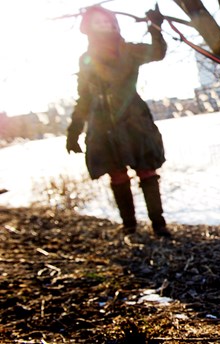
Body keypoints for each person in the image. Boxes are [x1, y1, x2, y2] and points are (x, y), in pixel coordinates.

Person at [66, 5, 171, 237]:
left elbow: (157, 52)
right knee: (117, 174)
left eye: (107, 21)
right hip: (104, 124)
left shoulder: (129, 50)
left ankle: (159, 225)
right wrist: (74, 131)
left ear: (115, 24)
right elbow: (83, 98)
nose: (104, 26)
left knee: (147, 170)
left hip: (135, 119)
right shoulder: (86, 59)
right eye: (98, 23)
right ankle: (130, 227)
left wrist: (155, 27)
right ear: (88, 28)